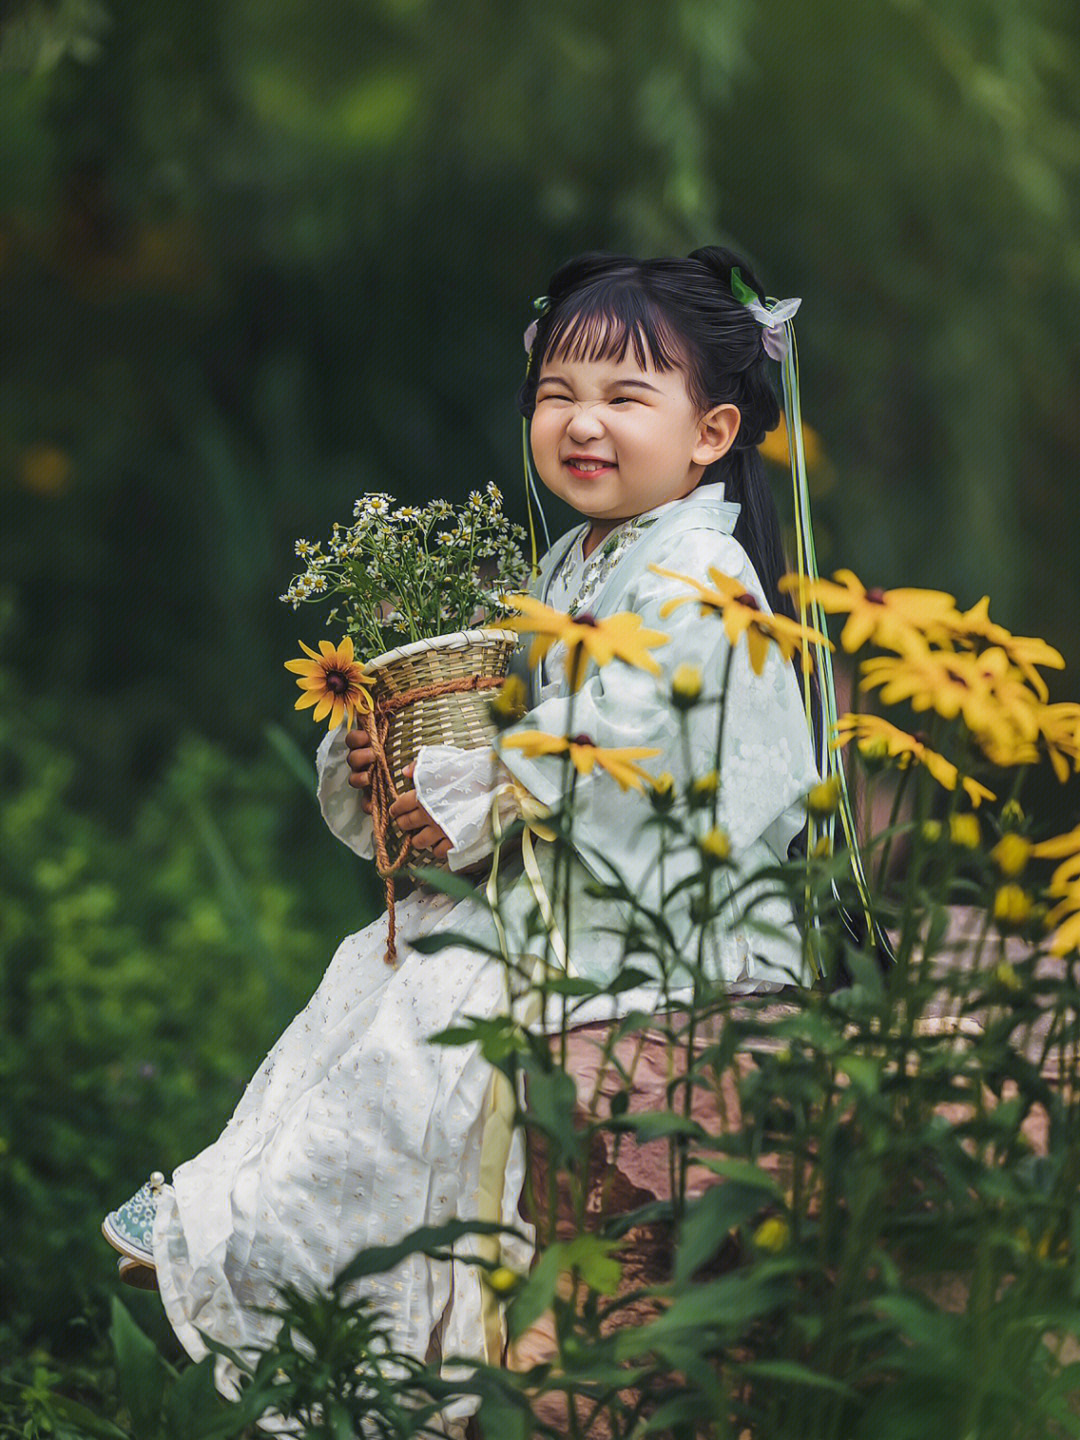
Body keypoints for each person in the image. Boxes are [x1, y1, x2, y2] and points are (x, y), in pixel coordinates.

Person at [101, 246, 822, 1418]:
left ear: (710, 431)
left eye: (626, 396)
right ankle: (239, 1221)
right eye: (557, 394)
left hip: (659, 910)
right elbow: (516, 713)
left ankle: (285, 1266)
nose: (583, 423)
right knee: (379, 972)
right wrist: (399, 759)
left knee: (430, 1021)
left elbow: (633, 746)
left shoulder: (700, 576)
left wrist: (473, 791)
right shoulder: (579, 560)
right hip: (560, 883)